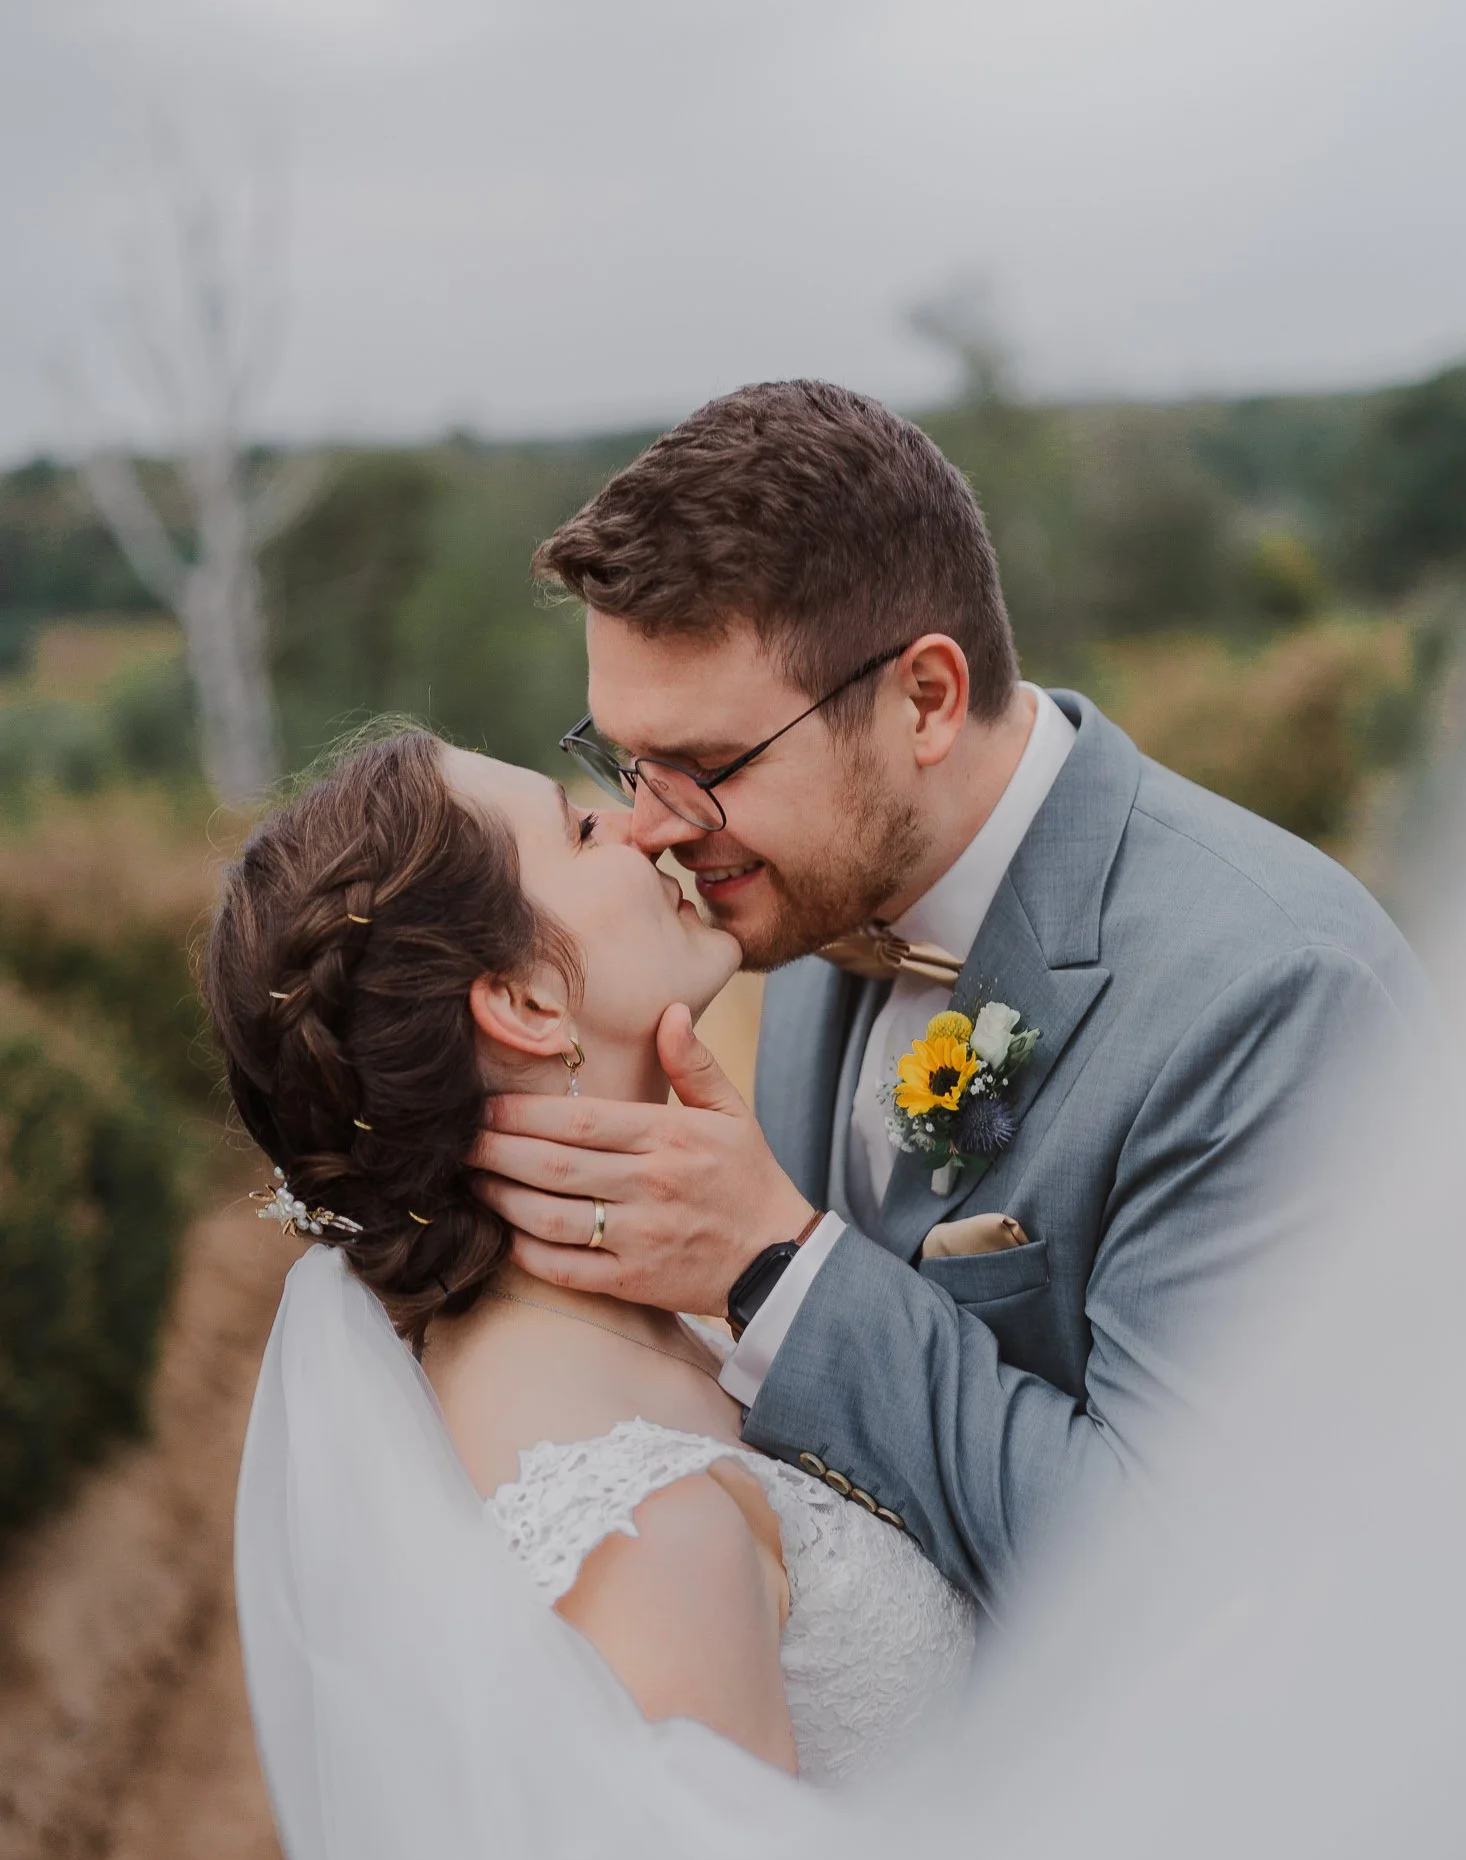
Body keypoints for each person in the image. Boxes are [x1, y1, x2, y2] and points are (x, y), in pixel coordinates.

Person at [467, 379, 1441, 1608]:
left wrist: (771, 1267)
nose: (652, 825)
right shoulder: (805, 907)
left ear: (923, 699)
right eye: (625, 759)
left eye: (706, 765)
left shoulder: (1273, 993)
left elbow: (1191, 1580)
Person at [206, 727, 975, 1789]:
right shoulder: (632, 1515)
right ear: (526, 1003)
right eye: (577, 830)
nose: (635, 825)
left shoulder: (651, 1306)